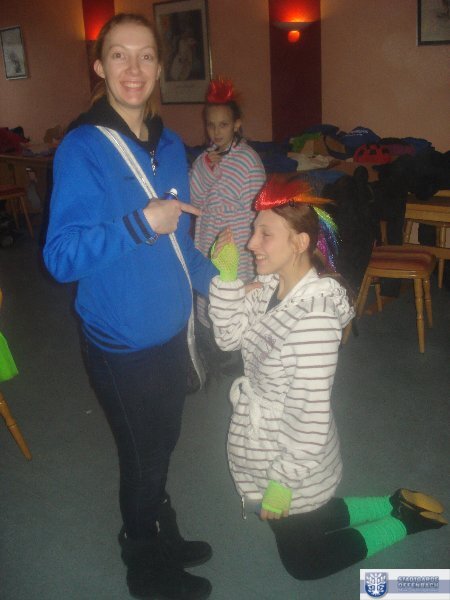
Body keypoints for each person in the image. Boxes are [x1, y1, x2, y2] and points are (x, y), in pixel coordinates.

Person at [43, 13, 217, 600]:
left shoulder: (170, 145)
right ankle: (144, 565)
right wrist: (142, 222)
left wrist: (223, 286)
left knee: (161, 447)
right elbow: (61, 257)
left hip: (172, 335)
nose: (134, 68)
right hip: (121, 347)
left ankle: (164, 533)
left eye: (146, 55)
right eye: (119, 54)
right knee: (143, 461)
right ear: (100, 66)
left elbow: (181, 246)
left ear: (161, 66)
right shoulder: (82, 148)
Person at [208, 175, 447, 580]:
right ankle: (390, 502)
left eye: (265, 234)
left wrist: (283, 482)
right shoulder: (268, 287)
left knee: (304, 563)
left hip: (291, 452)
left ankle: (405, 521)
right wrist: (228, 281)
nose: (250, 244)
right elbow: (229, 337)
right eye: (253, 231)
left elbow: (309, 413)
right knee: (304, 517)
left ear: (299, 242)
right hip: (265, 439)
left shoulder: (312, 321)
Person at [190, 77, 266, 377]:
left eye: (223, 125)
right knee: (211, 291)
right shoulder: (203, 160)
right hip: (209, 236)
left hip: (238, 241)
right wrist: (209, 169)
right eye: (211, 125)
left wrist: (253, 245)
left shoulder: (248, 160)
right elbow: (195, 200)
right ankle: (213, 350)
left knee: (235, 293)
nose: (216, 132)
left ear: (237, 124)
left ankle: (240, 355)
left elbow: (257, 208)